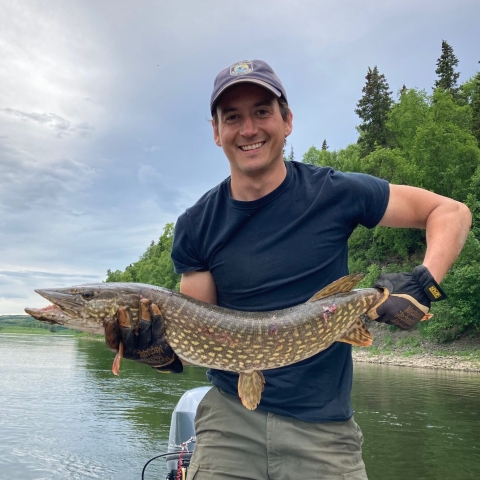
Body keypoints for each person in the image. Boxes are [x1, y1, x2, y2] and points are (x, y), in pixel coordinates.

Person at [107, 60, 472, 479]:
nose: (248, 129)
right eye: (232, 117)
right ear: (215, 132)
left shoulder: (335, 192)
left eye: (262, 111)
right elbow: (200, 331)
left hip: (324, 431)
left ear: (287, 121)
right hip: (229, 424)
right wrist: (157, 352)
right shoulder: (197, 224)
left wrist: (425, 282)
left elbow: (450, 211)